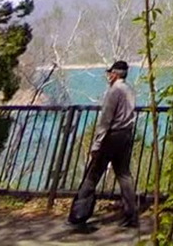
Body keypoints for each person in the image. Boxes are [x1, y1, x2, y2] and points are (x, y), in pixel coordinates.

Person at [69, 59, 139, 228]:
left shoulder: (114, 91)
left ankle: (79, 214)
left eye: (110, 73)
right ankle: (131, 214)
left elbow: (106, 119)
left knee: (93, 174)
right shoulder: (129, 90)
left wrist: (96, 144)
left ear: (114, 74)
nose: (108, 76)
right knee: (124, 174)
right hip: (125, 134)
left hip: (111, 136)